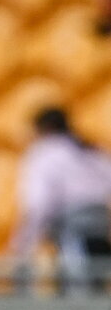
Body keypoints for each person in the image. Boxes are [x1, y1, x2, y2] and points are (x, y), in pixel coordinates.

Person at [11, 107, 111, 293]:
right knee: (96, 292)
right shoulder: (91, 151)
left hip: (74, 237)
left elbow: (38, 204)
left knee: (79, 296)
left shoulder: (44, 154)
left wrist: (23, 243)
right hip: (101, 236)